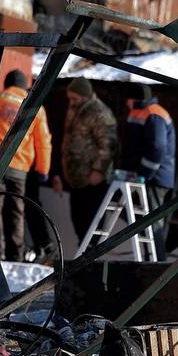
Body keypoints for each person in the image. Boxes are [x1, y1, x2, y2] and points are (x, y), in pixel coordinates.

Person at [0, 70, 54, 262]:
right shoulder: (36, 107)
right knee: (17, 211)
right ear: (24, 86)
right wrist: (43, 169)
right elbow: (44, 142)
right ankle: (16, 254)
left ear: (7, 83)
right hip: (20, 169)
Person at [120, 84, 176, 259]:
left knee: (153, 225)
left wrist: (145, 173)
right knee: (146, 224)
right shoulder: (144, 112)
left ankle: (158, 267)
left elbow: (157, 148)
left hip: (153, 179)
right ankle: (150, 262)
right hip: (147, 177)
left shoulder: (153, 114)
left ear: (132, 99)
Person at [61, 78, 117, 247]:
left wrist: (98, 170)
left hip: (93, 180)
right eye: (70, 98)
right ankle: (82, 255)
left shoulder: (100, 113)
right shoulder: (73, 110)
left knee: (92, 224)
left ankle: (91, 258)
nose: (71, 102)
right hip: (76, 177)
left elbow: (108, 144)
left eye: (75, 98)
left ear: (85, 96)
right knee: (78, 220)